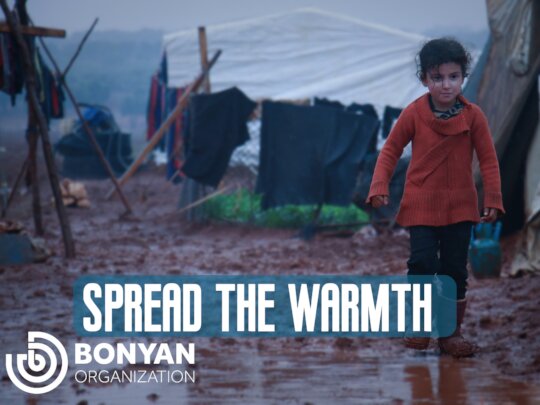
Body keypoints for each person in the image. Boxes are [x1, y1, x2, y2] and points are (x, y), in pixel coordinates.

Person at [366, 38, 504, 357]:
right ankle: (419, 324)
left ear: (463, 77)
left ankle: (450, 334)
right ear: (424, 79)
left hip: (460, 207)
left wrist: (493, 198)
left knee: (455, 270)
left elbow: (488, 159)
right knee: (422, 263)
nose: (446, 84)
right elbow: (390, 150)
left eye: (453, 76)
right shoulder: (413, 113)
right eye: (437, 77)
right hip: (421, 206)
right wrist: (378, 185)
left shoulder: (473, 116)